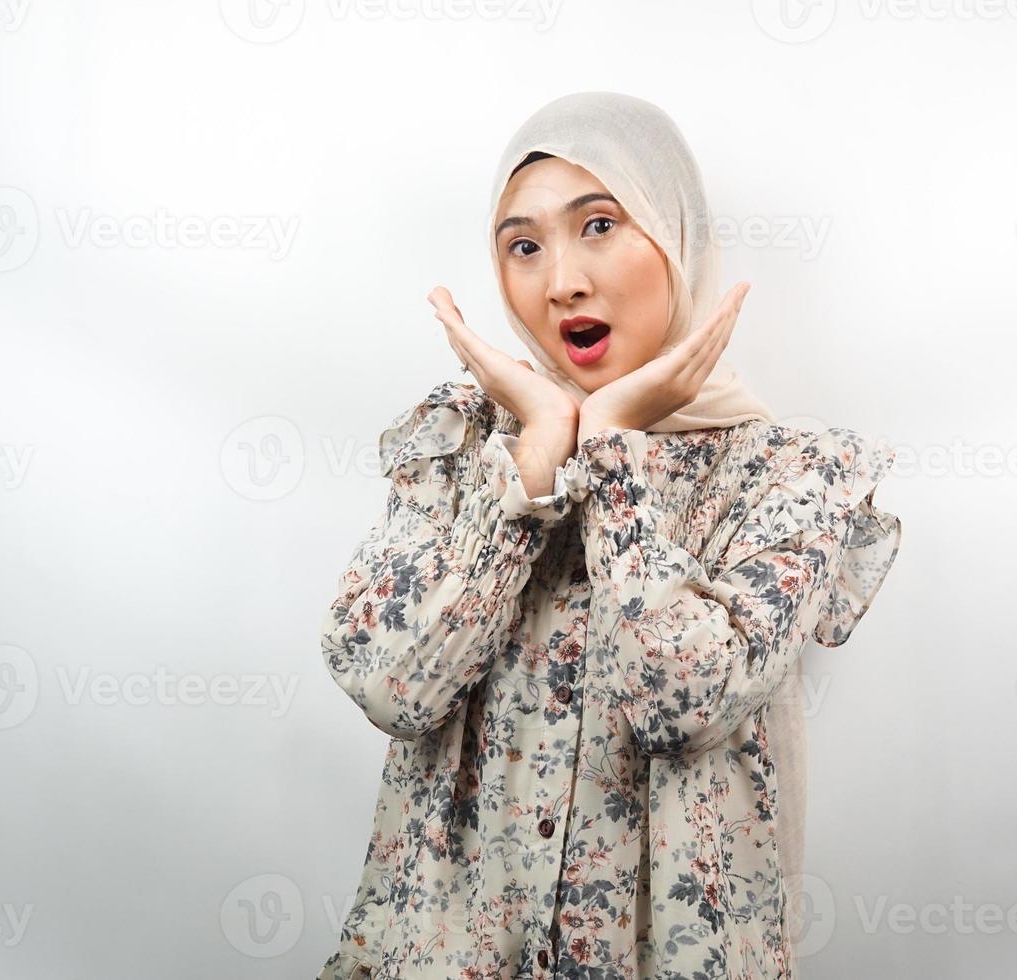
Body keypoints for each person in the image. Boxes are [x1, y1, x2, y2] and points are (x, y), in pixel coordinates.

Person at [315, 91, 903, 980]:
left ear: (675, 234)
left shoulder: (794, 476)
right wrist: (541, 457)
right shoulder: (463, 449)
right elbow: (394, 685)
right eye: (524, 246)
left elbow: (682, 700)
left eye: (599, 226)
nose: (562, 282)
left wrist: (612, 447)